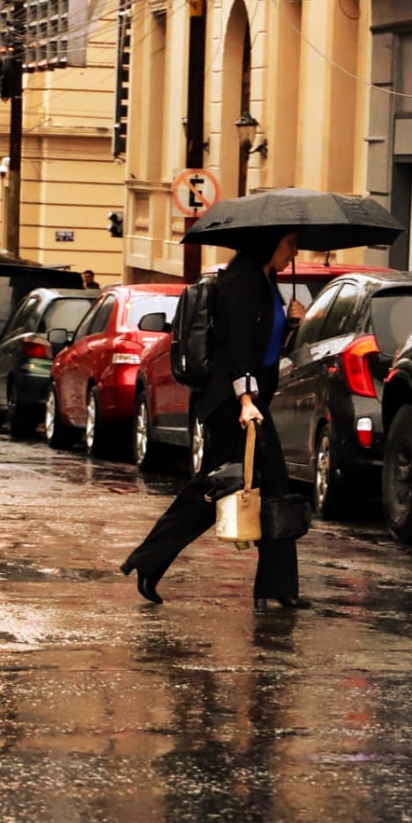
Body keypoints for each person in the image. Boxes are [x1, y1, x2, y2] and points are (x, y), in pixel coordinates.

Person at [120, 231, 308, 611]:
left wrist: (290, 324)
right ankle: (151, 560)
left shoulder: (266, 280)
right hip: (234, 404)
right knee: (226, 487)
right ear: (267, 243)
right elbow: (237, 350)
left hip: (249, 400)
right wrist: (244, 400)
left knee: (250, 489)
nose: (294, 251)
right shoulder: (242, 284)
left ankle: (276, 586)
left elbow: (263, 346)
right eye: (289, 243)